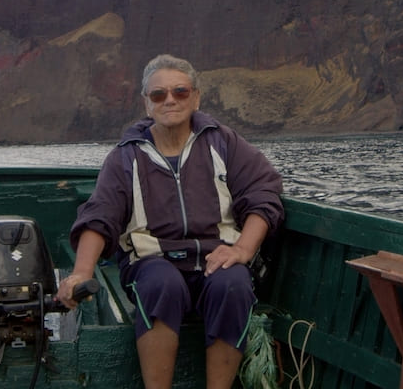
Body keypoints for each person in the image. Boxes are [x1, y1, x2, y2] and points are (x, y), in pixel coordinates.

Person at [58, 54, 284, 389]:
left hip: (215, 257)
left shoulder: (224, 142)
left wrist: (243, 249)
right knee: (161, 284)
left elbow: (264, 193)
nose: (170, 101)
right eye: (158, 95)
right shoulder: (126, 156)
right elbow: (99, 215)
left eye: (180, 92)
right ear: (145, 103)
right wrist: (82, 272)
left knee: (233, 284)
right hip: (152, 263)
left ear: (196, 97)